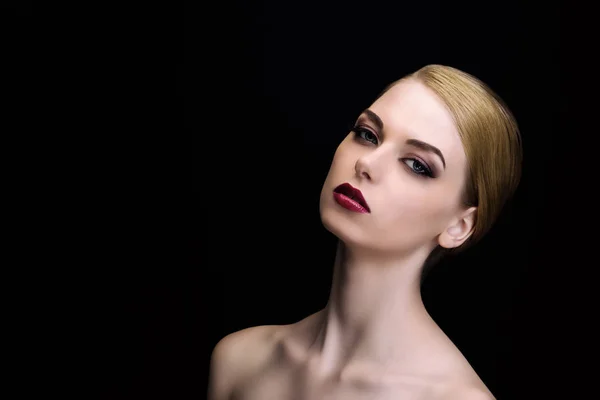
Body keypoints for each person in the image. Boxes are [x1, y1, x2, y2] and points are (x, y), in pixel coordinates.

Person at [207, 64, 523, 400]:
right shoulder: (239, 361)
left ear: (459, 226)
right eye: (367, 135)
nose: (367, 164)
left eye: (417, 165)